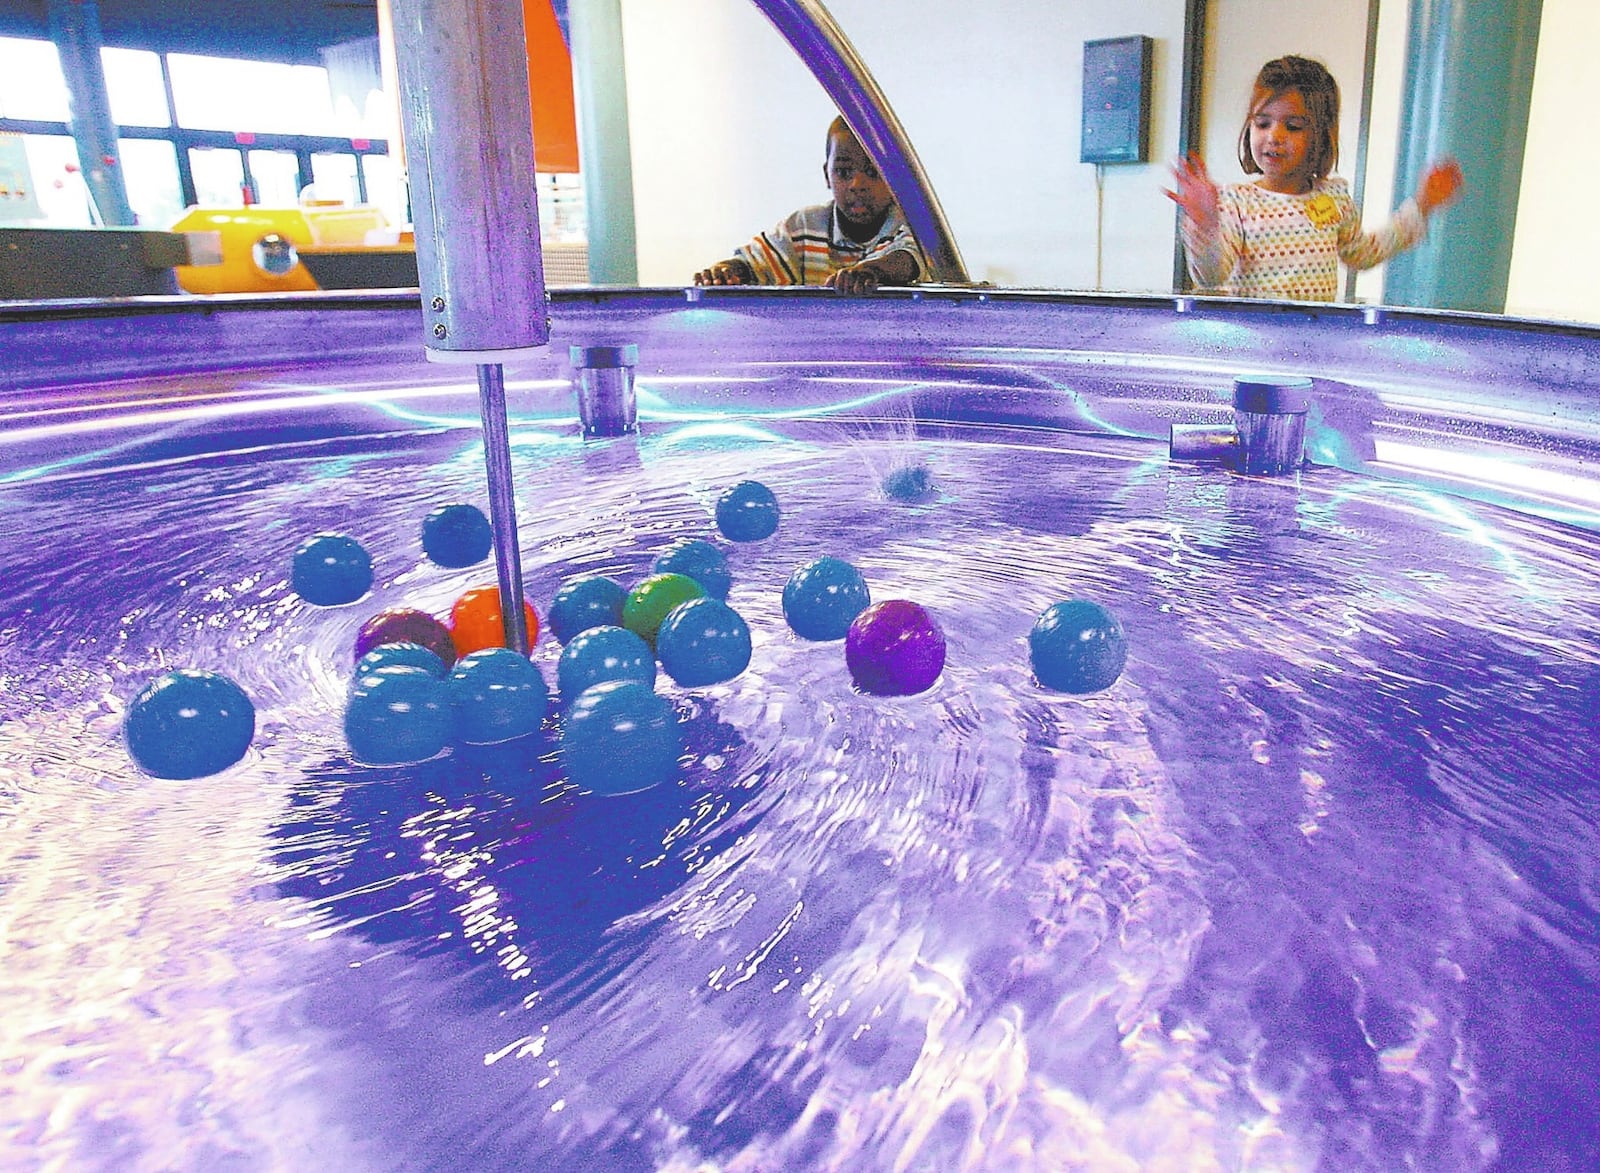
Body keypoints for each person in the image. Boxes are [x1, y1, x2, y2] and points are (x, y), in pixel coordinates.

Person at [1167, 55, 1463, 302]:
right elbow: (1210, 276)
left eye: (1293, 126)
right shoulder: (1238, 202)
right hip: (1254, 346)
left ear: (1320, 137)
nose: (1274, 137)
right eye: (1262, 123)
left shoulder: (1333, 198)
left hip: (1317, 343)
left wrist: (1421, 206)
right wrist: (1204, 225)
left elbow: (1364, 253)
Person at [694, 117, 926, 294]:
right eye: (844, 172)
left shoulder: (909, 225)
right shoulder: (804, 227)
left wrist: (871, 272)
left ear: (896, 177)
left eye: (873, 171)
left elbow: (908, 259)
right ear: (827, 175)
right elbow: (754, 264)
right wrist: (729, 271)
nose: (857, 185)